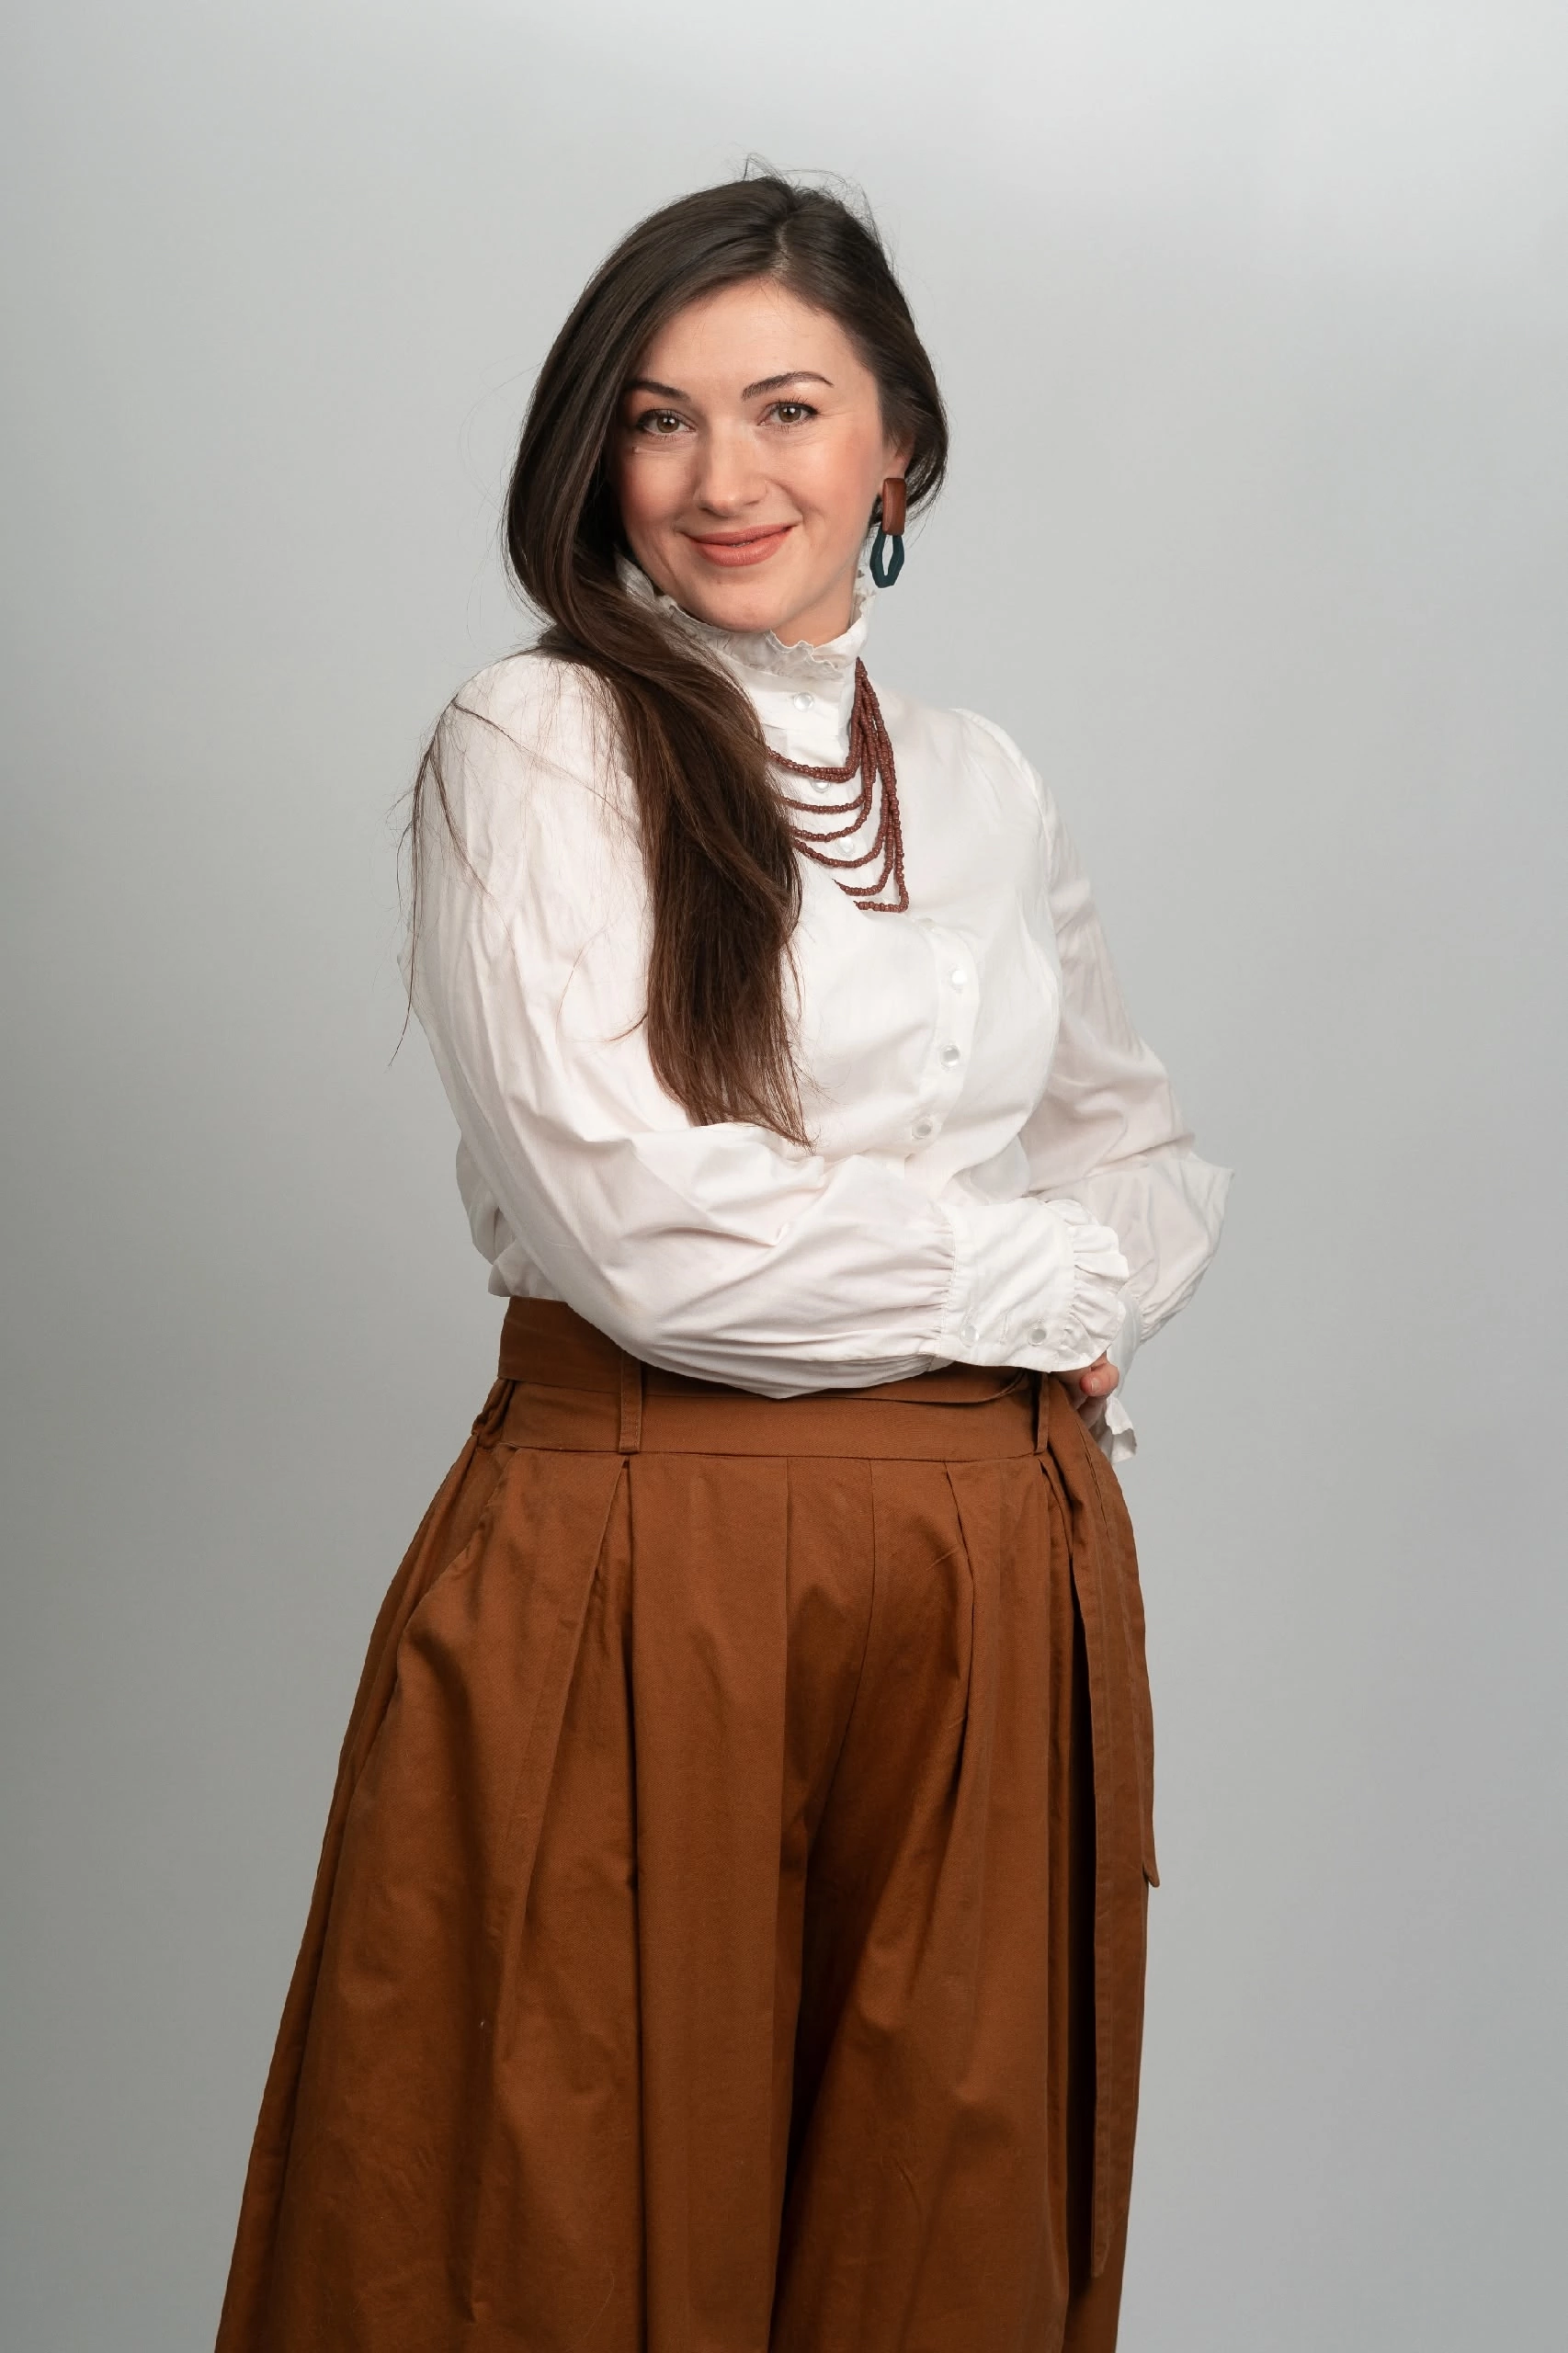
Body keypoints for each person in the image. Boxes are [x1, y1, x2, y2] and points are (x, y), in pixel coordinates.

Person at [216, 174, 1230, 2353]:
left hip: (995, 1559)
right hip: (647, 1538)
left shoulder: (982, 782)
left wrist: (1071, 1274)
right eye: (658, 418)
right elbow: (645, 1234)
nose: (720, 475)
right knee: (556, 2229)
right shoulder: (537, 740)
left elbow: (1139, 1155)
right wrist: (1043, 1289)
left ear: (896, 448)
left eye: (786, 407)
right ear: (596, 455)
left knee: (942, 2244)